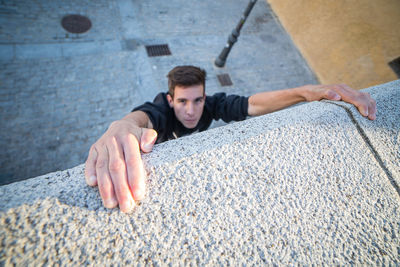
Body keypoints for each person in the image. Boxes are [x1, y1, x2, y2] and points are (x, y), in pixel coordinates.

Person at [85, 65, 376, 213]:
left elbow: (252, 104)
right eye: (183, 101)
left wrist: (305, 92)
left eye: (198, 100)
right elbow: (140, 118)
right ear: (171, 99)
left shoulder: (211, 105)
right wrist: (121, 126)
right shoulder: (161, 109)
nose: (191, 111)